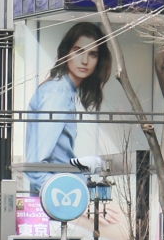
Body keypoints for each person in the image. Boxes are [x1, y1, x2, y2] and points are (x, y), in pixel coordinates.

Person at [23, 22, 111, 185]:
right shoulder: (58, 94)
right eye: (78, 51)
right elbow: (35, 168)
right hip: (59, 200)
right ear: (66, 53)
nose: (85, 61)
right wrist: (67, 196)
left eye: (93, 54)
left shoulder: (63, 92)